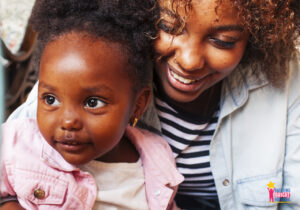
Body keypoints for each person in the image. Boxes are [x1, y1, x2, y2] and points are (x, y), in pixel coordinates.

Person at [5, 0, 300, 209]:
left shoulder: (284, 83)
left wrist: (278, 196)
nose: (189, 61)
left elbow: (290, 196)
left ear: (256, 35)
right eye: (170, 26)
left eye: (222, 40)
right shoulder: (95, 68)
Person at [0, 0, 183, 209]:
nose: (68, 121)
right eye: (51, 100)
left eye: (92, 103)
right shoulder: (15, 144)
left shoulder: (155, 161)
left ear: (138, 105)